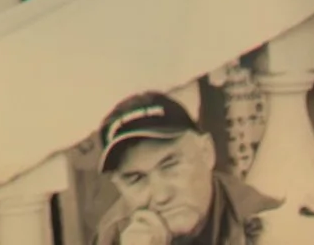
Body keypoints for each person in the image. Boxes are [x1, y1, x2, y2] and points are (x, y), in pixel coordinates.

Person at [95, 91, 267, 243]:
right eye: (136, 179)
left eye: (170, 166)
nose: (162, 196)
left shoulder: (262, 225)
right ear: (119, 186)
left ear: (206, 153)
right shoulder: (114, 232)